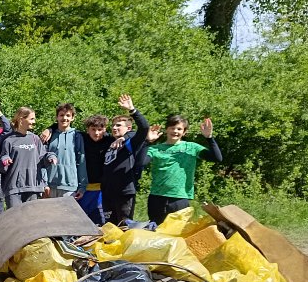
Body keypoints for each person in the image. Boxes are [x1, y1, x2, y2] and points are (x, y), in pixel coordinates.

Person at [141, 115, 221, 224]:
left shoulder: (191, 147)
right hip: (157, 197)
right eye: (172, 128)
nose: (175, 131)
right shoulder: (155, 149)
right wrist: (147, 142)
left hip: (179, 197)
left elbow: (217, 158)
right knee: (156, 233)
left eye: (179, 129)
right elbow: (141, 162)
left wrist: (209, 137)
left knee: (178, 234)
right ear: (166, 130)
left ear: (184, 132)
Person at [100, 95, 150, 225]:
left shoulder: (130, 143)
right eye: (113, 125)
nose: (114, 128)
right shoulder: (109, 142)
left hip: (124, 192)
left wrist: (132, 110)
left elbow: (144, 128)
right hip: (108, 193)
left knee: (124, 226)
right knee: (109, 228)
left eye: (119, 125)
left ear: (128, 128)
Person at [0, 108, 48, 208]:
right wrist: (4, 161)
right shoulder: (9, 140)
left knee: (30, 221)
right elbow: (0, 164)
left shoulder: (35, 139)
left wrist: (50, 157)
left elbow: (43, 158)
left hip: (33, 187)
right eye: (32, 119)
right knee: (15, 221)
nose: (34, 122)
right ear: (21, 119)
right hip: (14, 189)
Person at [43, 103, 88, 200]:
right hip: (50, 185)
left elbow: (81, 161)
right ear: (56, 117)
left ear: (73, 118)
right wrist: (44, 183)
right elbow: (42, 160)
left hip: (70, 186)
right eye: (61, 115)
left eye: (68, 115)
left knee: (67, 215)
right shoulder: (49, 136)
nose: (64, 118)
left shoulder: (77, 136)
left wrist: (82, 187)